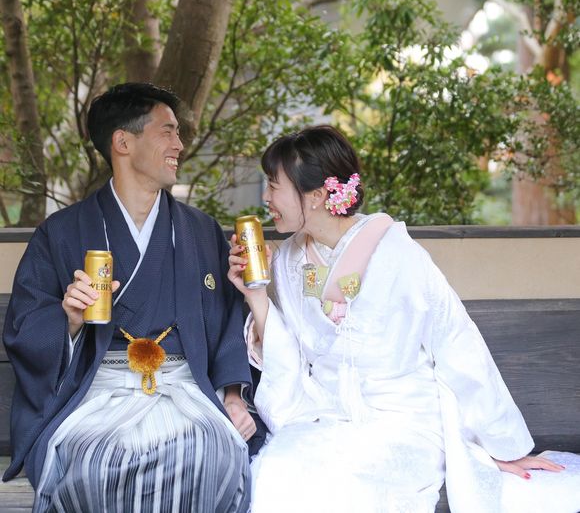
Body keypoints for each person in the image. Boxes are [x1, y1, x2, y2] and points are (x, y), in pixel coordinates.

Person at [227, 125, 580, 513]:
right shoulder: (288, 261)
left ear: (316, 195)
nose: (266, 197)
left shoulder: (397, 254)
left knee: (346, 487)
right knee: (277, 473)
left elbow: (456, 340)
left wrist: (503, 444)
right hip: (325, 416)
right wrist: (256, 294)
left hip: (403, 421)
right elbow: (289, 355)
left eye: (273, 185)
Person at [3, 83, 256, 512]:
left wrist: (233, 395)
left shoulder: (200, 230)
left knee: (209, 455)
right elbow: (25, 326)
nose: (179, 145)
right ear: (123, 142)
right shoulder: (60, 232)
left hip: (184, 388)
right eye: (167, 131)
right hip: (95, 391)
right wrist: (68, 319)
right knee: (95, 465)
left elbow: (229, 317)